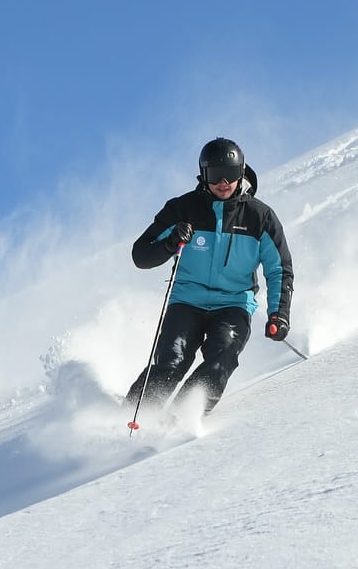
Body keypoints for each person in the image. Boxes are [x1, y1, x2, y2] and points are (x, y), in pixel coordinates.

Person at [125, 138, 294, 416]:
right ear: (203, 175)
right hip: (187, 302)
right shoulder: (184, 209)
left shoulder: (259, 217)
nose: (223, 182)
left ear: (241, 173)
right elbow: (140, 256)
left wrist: (279, 314)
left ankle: (181, 418)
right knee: (171, 362)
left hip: (233, 304)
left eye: (230, 174)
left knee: (221, 357)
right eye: (215, 175)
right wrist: (170, 242)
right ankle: (128, 419)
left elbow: (279, 269)